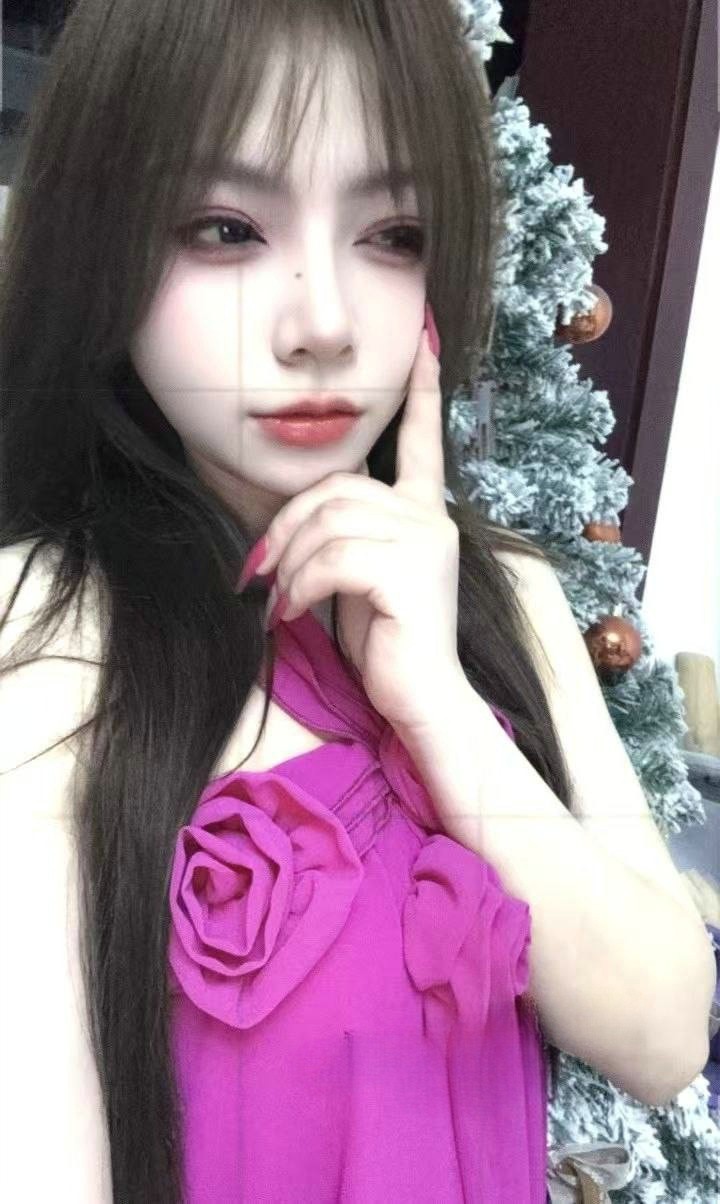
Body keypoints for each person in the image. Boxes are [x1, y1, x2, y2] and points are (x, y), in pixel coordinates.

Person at [0, 2, 578, 1201]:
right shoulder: (48, 632)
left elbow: (665, 1031)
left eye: (393, 233)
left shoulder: (506, 591)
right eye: (227, 229)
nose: (322, 324)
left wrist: (439, 706)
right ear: (101, 247)